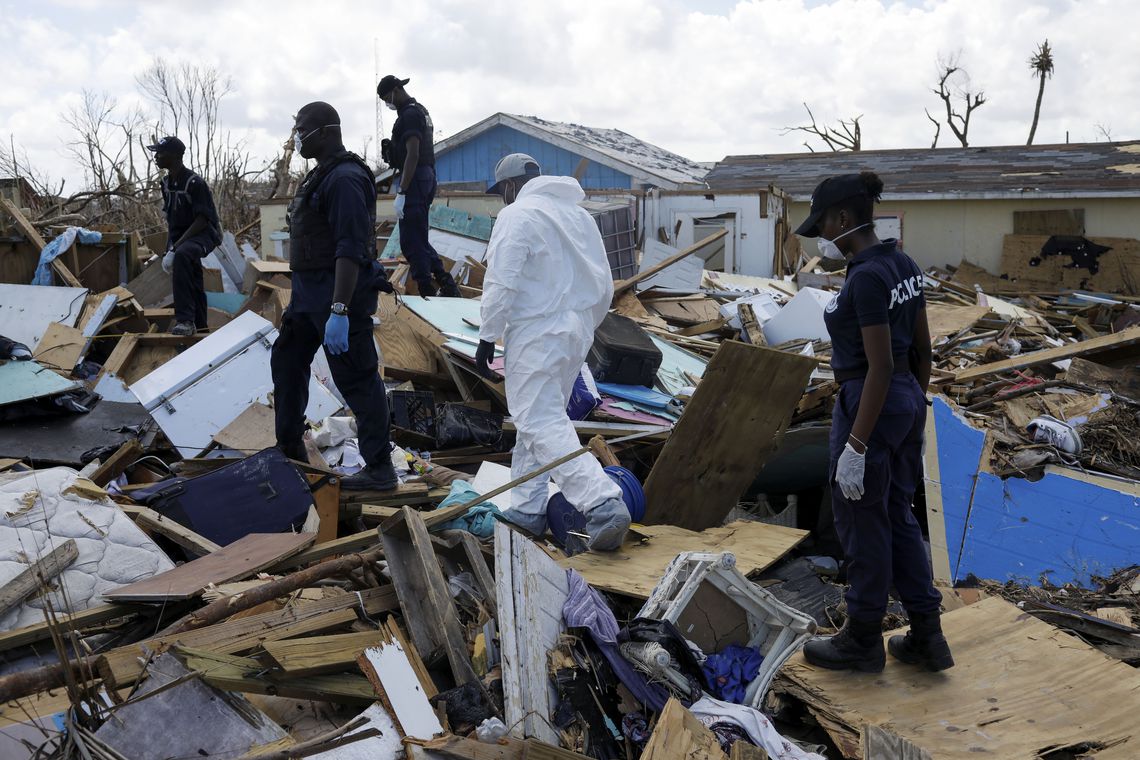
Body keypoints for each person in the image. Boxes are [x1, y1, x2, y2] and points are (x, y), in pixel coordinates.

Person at [794, 172, 953, 674]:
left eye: (823, 225)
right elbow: (921, 350)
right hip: (904, 399)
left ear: (844, 219)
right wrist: (914, 408)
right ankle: (928, 634)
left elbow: (879, 365)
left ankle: (862, 637)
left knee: (862, 521)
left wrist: (858, 445)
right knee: (898, 515)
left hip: (872, 399)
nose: (823, 236)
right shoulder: (901, 264)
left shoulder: (865, 277)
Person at [474, 153, 630, 552]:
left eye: (501, 193)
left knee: (537, 418)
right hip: (576, 328)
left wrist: (487, 336)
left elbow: (502, 280)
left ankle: (602, 502)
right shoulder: (578, 217)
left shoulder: (518, 215)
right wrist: (583, 326)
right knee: (539, 421)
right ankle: (527, 510)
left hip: (536, 328)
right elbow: (605, 282)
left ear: (510, 186)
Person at [271, 101, 398, 491]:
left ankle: (380, 469)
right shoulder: (319, 176)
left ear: (325, 131)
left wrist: (340, 310)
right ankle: (289, 449)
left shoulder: (344, 179)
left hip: (339, 299)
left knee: (357, 379)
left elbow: (350, 248)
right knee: (287, 362)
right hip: (309, 299)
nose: (297, 137)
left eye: (302, 129)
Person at [376, 74, 460, 298]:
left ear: (396, 90)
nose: (388, 103)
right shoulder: (417, 110)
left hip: (415, 179)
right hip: (422, 177)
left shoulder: (411, 114)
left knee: (412, 243)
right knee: (417, 240)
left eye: (387, 97)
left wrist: (402, 190)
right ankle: (447, 285)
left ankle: (426, 293)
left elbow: (413, 154)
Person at [147, 136, 223, 336]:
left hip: (204, 234)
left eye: (161, 153)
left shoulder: (194, 182)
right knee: (193, 276)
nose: (156, 157)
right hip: (183, 238)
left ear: (175, 156)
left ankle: (185, 321)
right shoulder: (165, 183)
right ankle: (201, 326)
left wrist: (175, 248)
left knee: (183, 255)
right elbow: (172, 221)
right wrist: (168, 249)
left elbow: (202, 220)